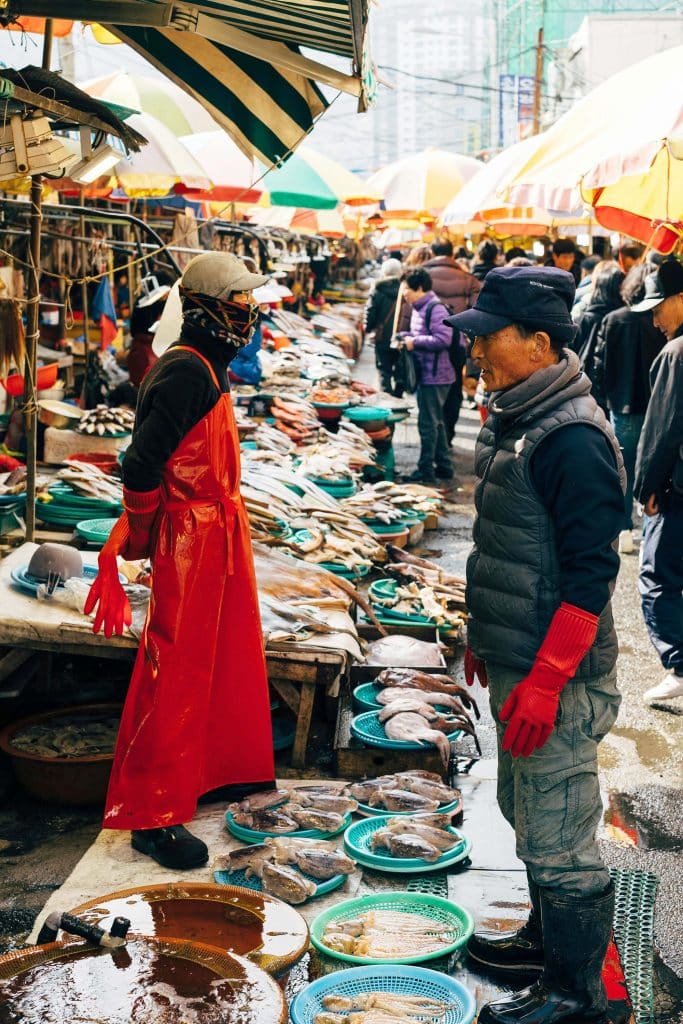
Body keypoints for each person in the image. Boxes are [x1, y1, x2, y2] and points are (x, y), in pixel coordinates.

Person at [447, 266, 625, 1024]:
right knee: (526, 811)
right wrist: (484, 635)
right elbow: (508, 546)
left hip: (561, 671)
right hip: (519, 656)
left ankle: (576, 997)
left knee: (559, 831)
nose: (478, 348)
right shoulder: (515, 417)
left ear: (539, 343)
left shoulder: (572, 438)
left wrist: (551, 676)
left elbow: (590, 575)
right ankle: (542, 943)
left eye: (490, 336)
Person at [84, 252, 275, 870]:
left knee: (225, 656)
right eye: (240, 303)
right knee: (177, 671)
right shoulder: (183, 372)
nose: (249, 313)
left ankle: (214, 772)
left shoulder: (210, 366)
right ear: (209, 311)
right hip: (189, 540)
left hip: (218, 532)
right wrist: (140, 535)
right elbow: (138, 465)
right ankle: (154, 817)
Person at [632, 258, 683, 705]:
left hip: (678, 492)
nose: (654, 319)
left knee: (656, 576)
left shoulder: (677, 353)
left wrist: (647, 487)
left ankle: (679, 667)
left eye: (658, 307)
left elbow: (660, 431)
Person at [592, 265, 667, 553]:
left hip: (621, 407)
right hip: (654, 406)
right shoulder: (659, 321)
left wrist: (603, 397)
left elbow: (599, 367)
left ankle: (624, 528)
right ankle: (649, 530)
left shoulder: (613, 320)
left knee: (623, 471)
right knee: (653, 469)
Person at [399, 267, 455, 484]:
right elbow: (421, 333)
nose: (406, 298)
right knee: (436, 422)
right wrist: (406, 336)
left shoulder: (435, 308)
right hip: (427, 374)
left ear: (419, 288)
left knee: (427, 424)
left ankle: (426, 471)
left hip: (436, 376)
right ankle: (443, 467)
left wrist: (415, 342)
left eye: (407, 293)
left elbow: (443, 339)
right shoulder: (418, 308)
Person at [423, 238, 481, 443]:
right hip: (457, 343)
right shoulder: (468, 279)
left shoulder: (422, 276)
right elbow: (477, 315)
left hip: (425, 342)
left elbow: (406, 311)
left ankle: (433, 437)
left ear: (431, 251)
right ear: (453, 254)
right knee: (454, 390)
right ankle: (447, 435)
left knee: (428, 391)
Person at [573, 261, 624, 390]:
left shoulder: (585, 317)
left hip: (587, 384)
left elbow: (573, 349)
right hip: (616, 387)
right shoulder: (623, 319)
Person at [364, 257, 403, 394]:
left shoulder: (378, 289)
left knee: (384, 371)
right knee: (400, 368)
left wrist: (368, 328)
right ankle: (398, 397)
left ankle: (387, 399)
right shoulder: (406, 289)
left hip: (383, 336)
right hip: (401, 336)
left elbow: (371, 311)